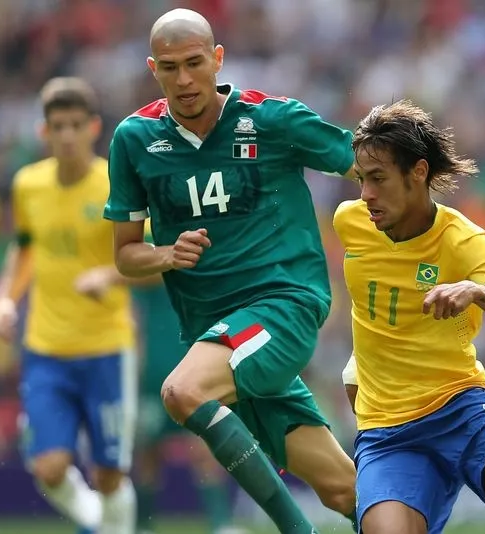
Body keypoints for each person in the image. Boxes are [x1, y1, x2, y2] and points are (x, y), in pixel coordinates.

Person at [103, 8, 357, 534]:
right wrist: (165, 254)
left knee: (182, 392)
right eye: (169, 68)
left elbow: (364, 164)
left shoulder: (273, 120)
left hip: (282, 304)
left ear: (217, 58)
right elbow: (127, 253)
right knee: (343, 489)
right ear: (154, 69)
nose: (184, 79)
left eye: (194, 63)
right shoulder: (134, 140)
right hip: (215, 335)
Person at [334, 100, 485, 534]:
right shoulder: (349, 222)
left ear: (418, 173)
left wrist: (477, 291)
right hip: (389, 432)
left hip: (461, 407)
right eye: (361, 180)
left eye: (378, 179)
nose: (366, 195)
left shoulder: (462, 239)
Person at [0, 77, 138, 534]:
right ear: (44, 132)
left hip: (107, 348)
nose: (68, 135)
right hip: (45, 349)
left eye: (77, 125)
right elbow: (25, 248)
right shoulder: (28, 185)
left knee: (109, 474)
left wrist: (108, 275)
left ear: (94, 128)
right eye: (59, 126)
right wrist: (5, 300)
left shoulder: (116, 183)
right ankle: (107, 527)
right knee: (49, 468)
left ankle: (110, 525)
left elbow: (156, 260)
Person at [132, 222, 244, 534]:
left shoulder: (200, 229)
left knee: (206, 444)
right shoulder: (146, 237)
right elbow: (132, 276)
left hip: (192, 351)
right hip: (153, 361)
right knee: (149, 451)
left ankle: (221, 523)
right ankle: (143, 525)